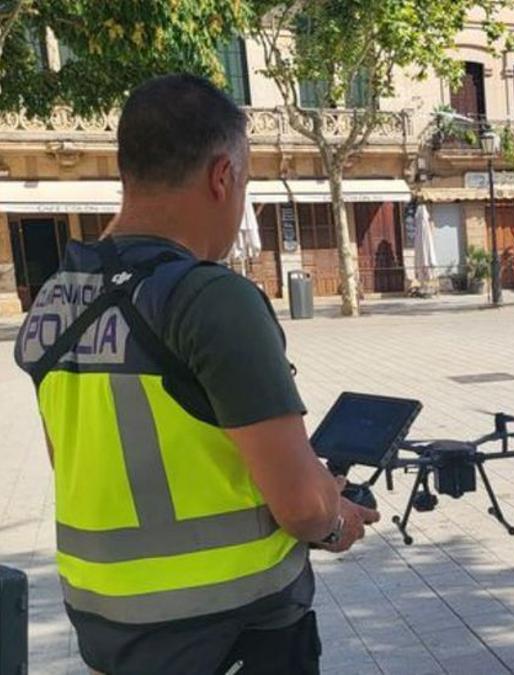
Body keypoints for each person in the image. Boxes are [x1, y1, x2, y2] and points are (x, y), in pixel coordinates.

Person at [12, 75, 379, 675]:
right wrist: (339, 519)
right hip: (232, 633)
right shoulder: (211, 299)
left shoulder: (56, 299)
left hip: (109, 633)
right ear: (222, 176)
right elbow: (302, 508)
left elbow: (77, 459)